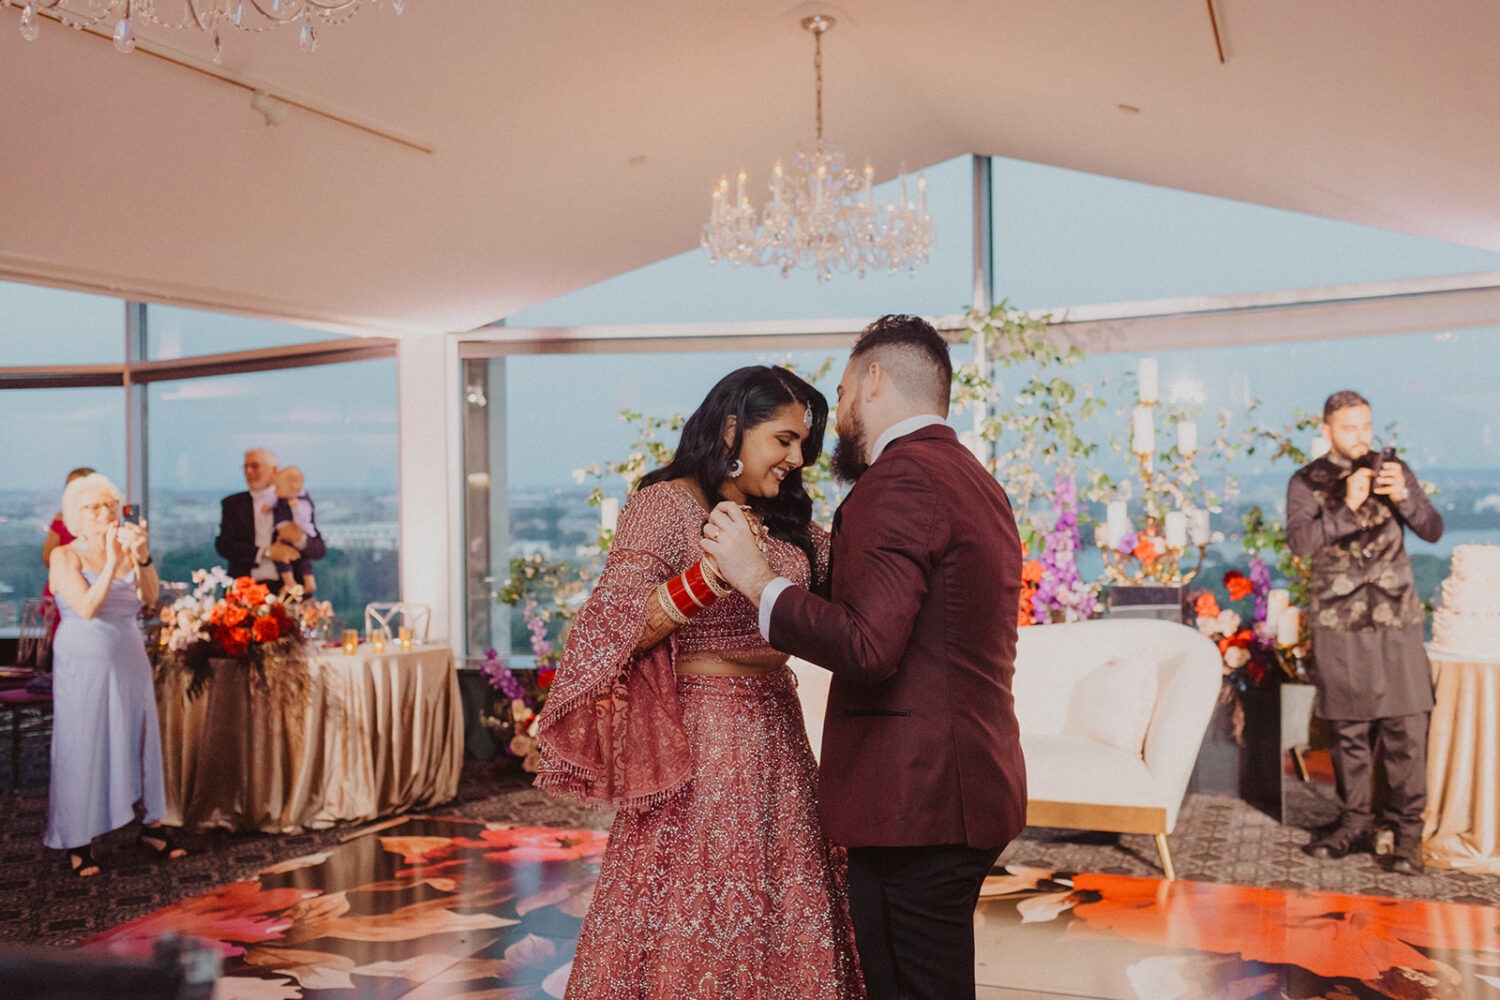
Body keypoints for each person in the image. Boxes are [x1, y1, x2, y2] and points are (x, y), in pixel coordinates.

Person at [703, 315, 1027, 1000]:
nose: (837, 418)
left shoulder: (899, 481)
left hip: (915, 803)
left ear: (872, 381)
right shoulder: (971, 478)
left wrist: (757, 579)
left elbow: (866, 645)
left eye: (844, 391)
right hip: (959, 790)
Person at [535, 365, 862, 999]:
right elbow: (612, 627)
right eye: (784, 440)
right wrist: (708, 578)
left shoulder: (783, 519)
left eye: (802, 444)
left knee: (783, 904)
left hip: (779, 732)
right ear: (734, 428)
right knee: (700, 906)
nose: (797, 458)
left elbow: (843, 587)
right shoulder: (666, 504)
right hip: (702, 744)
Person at [1287, 390, 1443, 875]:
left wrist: (1404, 498)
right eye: (1350, 428)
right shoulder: (1305, 481)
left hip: (1396, 618)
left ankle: (1407, 835)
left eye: (1366, 426)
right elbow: (1302, 541)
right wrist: (1347, 508)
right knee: (1349, 731)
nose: (1361, 437)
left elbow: (1434, 529)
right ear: (1328, 428)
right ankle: (1354, 824)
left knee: (1405, 730)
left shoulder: (1393, 471)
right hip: (1339, 621)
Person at [46, 472, 186, 876]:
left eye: (108, 506)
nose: (103, 514)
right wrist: (109, 562)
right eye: (92, 508)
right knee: (83, 742)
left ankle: (150, 825)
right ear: (76, 517)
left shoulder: (126, 550)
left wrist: (140, 556)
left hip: (127, 655)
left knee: (138, 737)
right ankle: (78, 838)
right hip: (83, 659)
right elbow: (88, 607)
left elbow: (150, 596)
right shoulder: (65, 556)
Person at [215, 448, 326, 591]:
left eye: (255, 466)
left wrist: (298, 539)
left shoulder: (293, 503)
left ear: (274, 471)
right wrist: (266, 552)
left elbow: (318, 550)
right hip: (245, 589)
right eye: (245, 466)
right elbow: (224, 545)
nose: (248, 472)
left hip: (290, 592)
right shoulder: (233, 504)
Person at [270, 465, 319, 597]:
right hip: (293, 534)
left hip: (295, 534)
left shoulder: (300, 503)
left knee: (283, 557)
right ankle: (305, 582)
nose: (276, 491)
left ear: (292, 487)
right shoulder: (288, 500)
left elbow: (302, 521)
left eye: (278, 488)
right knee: (302, 559)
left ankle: (291, 582)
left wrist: (295, 536)